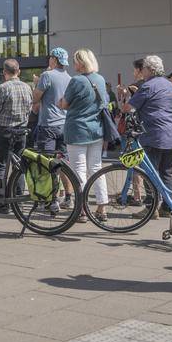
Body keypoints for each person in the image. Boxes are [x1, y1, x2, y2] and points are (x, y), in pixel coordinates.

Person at [124, 55, 172, 218]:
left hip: (155, 134)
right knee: (168, 171)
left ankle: (151, 208)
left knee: (150, 171)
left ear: (149, 69)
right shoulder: (170, 85)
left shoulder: (148, 86)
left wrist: (128, 98)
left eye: (143, 69)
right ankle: (167, 206)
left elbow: (128, 108)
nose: (142, 71)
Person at [59, 49, 110, 222]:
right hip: (96, 130)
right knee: (96, 168)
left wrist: (60, 102)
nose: (74, 65)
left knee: (78, 169)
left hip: (77, 130)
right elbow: (104, 102)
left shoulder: (77, 80)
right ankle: (102, 208)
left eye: (75, 62)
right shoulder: (100, 79)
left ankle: (81, 209)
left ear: (80, 63)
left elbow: (64, 104)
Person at [0, 59, 33, 195]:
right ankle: (17, 196)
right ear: (18, 71)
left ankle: (3, 197)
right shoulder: (27, 87)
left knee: (0, 164)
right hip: (21, 131)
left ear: (4, 72)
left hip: (5, 131)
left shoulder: (2, 88)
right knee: (19, 165)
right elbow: (29, 109)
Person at [34, 47, 72, 208]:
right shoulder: (70, 78)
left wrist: (36, 84)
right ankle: (69, 197)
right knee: (63, 162)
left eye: (50, 57)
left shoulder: (47, 75)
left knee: (47, 163)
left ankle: (51, 199)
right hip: (64, 124)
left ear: (54, 60)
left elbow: (36, 97)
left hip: (48, 124)